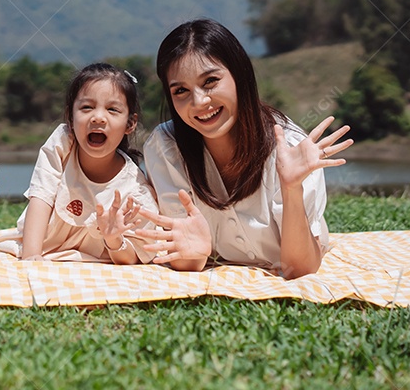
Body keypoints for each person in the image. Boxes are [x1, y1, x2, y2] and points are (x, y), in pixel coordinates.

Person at [134, 19, 352, 278]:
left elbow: (300, 269)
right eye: (181, 90)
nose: (199, 101)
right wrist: (196, 254)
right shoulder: (165, 148)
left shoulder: (289, 148)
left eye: (210, 81)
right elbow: (187, 260)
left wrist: (291, 188)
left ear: (240, 75)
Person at [0, 63, 158, 264]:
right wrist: (32, 256)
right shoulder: (63, 144)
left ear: (130, 123)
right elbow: (41, 197)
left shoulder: (136, 192)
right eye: (87, 107)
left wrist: (113, 239)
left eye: (112, 109)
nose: (98, 117)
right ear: (71, 117)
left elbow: (133, 257)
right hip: (39, 248)